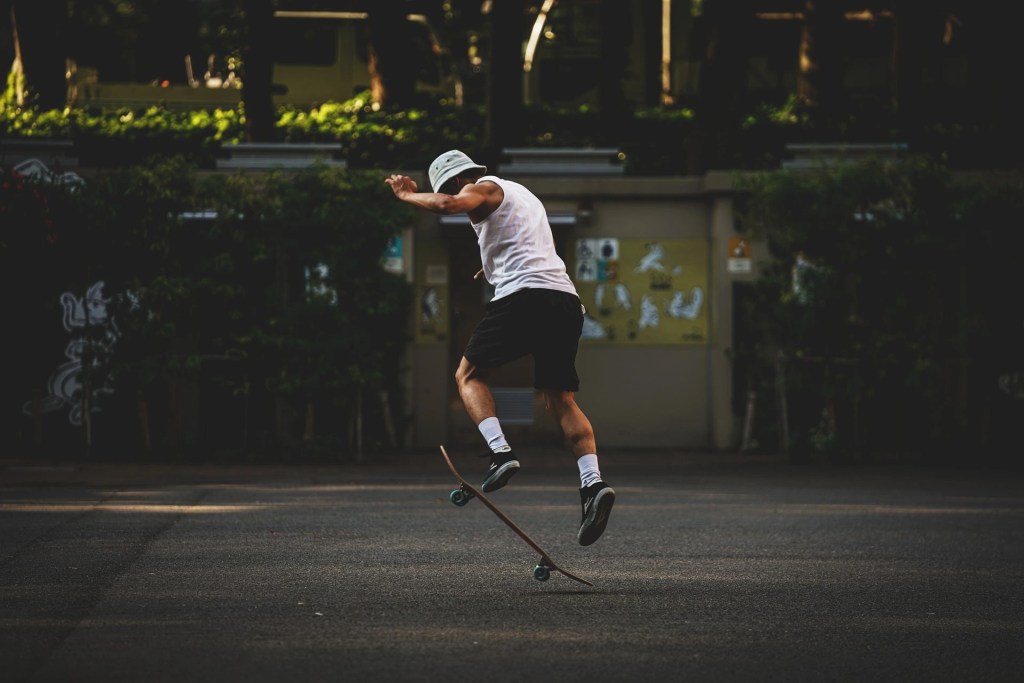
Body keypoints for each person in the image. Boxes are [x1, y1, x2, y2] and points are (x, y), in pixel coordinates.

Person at [385, 150, 615, 546]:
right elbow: (523, 242)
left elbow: (448, 204)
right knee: (561, 399)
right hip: (565, 302)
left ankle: (500, 452)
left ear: (457, 180)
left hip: (524, 298)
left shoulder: (480, 189)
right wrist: (490, 265)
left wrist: (408, 196)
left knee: (468, 375)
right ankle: (592, 485)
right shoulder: (522, 194)